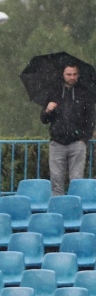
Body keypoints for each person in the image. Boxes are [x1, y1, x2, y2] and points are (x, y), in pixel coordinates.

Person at [40, 63, 96, 196]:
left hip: (77, 143)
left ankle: (75, 210)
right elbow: (43, 120)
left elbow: (91, 118)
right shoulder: (54, 92)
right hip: (57, 143)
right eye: (69, 74)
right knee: (56, 181)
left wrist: (84, 139)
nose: (72, 77)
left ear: (78, 75)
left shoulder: (85, 93)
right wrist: (47, 110)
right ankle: (57, 210)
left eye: (75, 74)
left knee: (76, 181)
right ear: (63, 75)